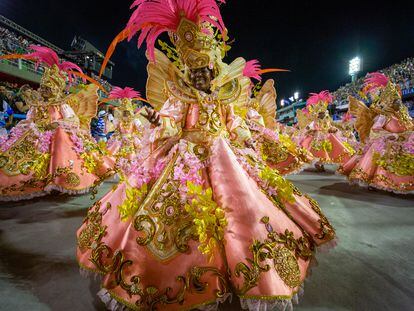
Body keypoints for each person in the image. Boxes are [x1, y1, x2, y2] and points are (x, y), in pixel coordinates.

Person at [76, 1, 335, 310]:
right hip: (185, 156)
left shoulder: (224, 95)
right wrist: (161, 123)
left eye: (206, 71)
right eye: (196, 71)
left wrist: (244, 134)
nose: (202, 76)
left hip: (223, 154)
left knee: (245, 208)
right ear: (188, 70)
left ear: (213, 69)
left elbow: (232, 122)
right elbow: (171, 119)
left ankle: (243, 270)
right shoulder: (181, 95)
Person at [0, 45, 114, 201]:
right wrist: (29, 125)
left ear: (56, 89)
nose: (45, 91)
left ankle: (59, 180)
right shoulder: (36, 104)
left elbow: (72, 120)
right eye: (44, 88)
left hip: (55, 134)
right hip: (36, 134)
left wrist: (58, 124)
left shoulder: (61, 104)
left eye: (49, 88)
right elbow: (29, 119)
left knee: (61, 137)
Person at [339, 72, 414, 193]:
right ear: (389, 102)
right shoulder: (384, 116)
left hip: (404, 145)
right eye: (395, 102)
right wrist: (390, 135)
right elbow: (375, 130)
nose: (399, 104)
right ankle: (378, 181)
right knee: (383, 161)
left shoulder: (403, 116)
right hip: (387, 144)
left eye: (398, 101)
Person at [240, 60, 315, 175]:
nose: (249, 89)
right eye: (247, 86)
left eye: (249, 87)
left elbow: (258, 119)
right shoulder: (233, 102)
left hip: (254, 135)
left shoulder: (253, 103)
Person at [297, 91, 355, 171]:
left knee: (330, 150)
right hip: (317, 138)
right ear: (318, 114)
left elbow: (330, 125)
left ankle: (322, 164)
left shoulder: (327, 119)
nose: (322, 114)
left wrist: (334, 129)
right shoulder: (315, 121)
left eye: (323, 113)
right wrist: (310, 130)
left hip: (327, 136)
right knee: (317, 151)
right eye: (320, 113)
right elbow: (310, 127)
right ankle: (318, 164)